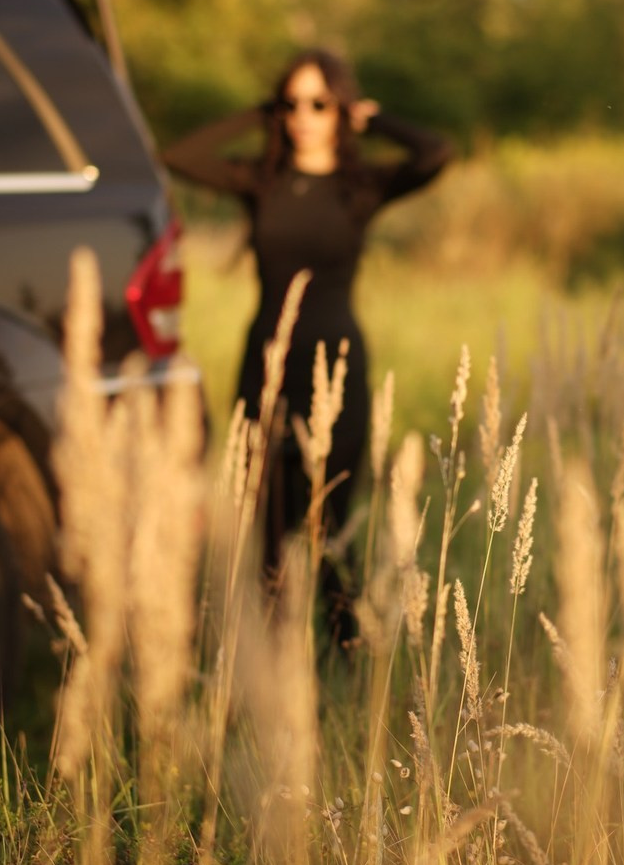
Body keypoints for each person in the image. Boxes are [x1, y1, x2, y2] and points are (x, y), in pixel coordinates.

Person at [161, 48, 453, 615]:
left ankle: (341, 656)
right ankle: (274, 664)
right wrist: (259, 112)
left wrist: (375, 118)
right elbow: (180, 154)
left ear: (339, 110)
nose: (303, 115)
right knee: (267, 526)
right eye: (291, 103)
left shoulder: (359, 186)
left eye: (319, 103)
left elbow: (437, 152)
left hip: (337, 364)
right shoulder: (263, 180)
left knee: (332, 528)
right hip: (266, 366)